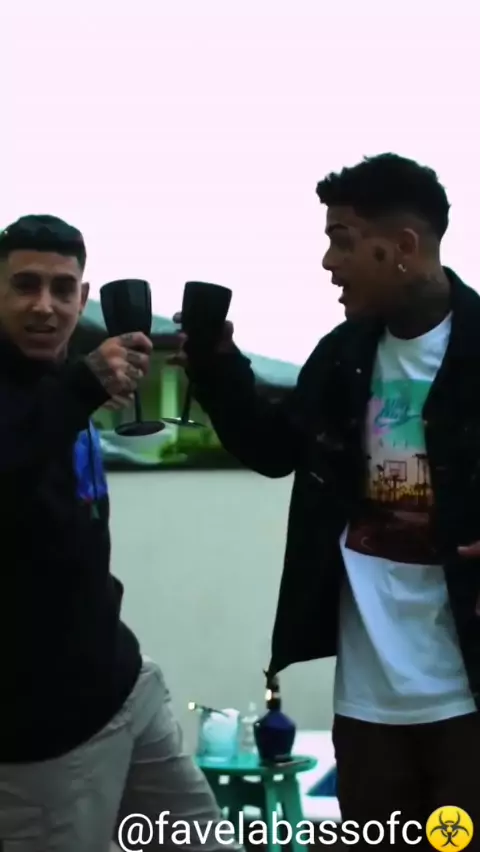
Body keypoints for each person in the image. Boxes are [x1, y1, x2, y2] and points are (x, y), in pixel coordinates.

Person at [172, 153, 480, 849]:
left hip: (468, 692)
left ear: (403, 246)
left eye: (343, 241)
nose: (328, 262)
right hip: (370, 701)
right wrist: (218, 368)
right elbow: (274, 449)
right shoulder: (343, 355)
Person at [0, 214, 233, 852]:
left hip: (125, 685)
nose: (45, 306)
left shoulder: (58, 380)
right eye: (25, 285)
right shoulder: (61, 387)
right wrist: (81, 386)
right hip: (44, 736)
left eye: (62, 288)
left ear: (83, 296)